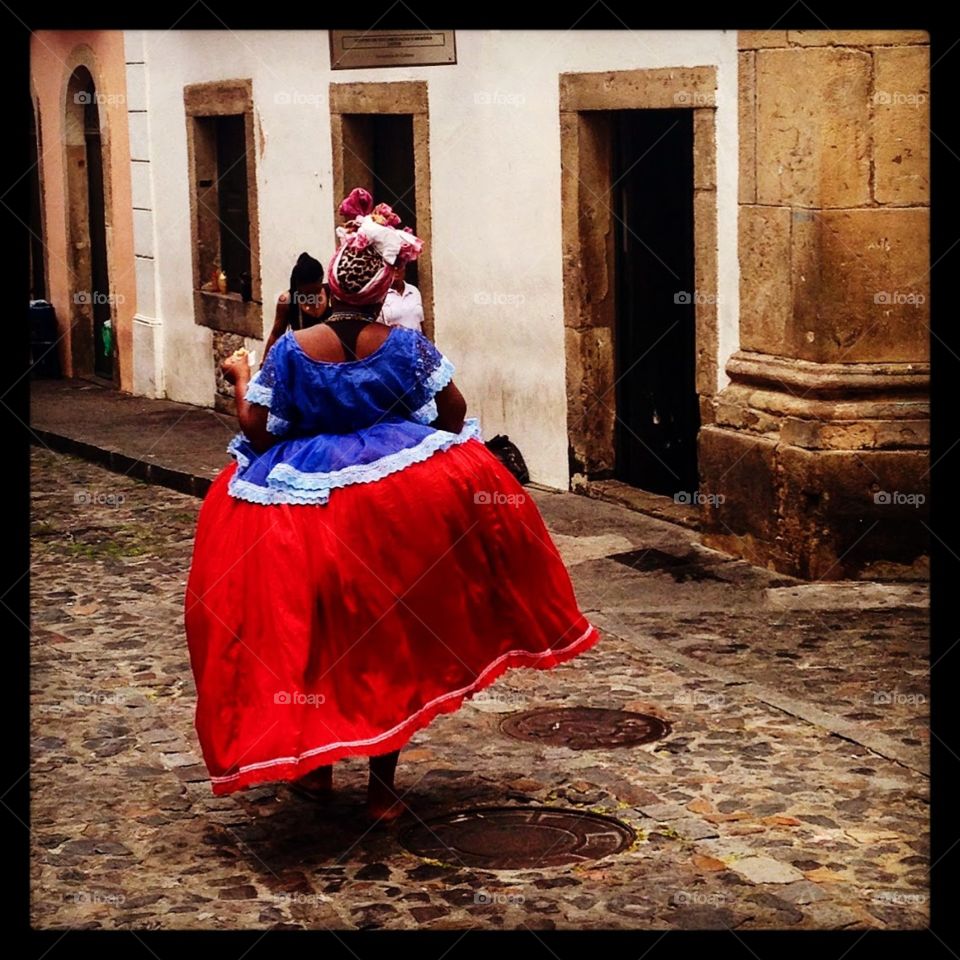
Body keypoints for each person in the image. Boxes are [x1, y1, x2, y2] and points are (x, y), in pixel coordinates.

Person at [183, 187, 599, 824]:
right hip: (393, 513)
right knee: (392, 637)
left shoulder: (294, 352)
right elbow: (453, 413)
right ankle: (382, 792)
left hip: (306, 510)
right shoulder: (407, 348)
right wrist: (400, 426)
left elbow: (263, 431)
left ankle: (317, 772)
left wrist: (243, 380)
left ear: (331, 287)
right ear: (384, 291)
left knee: (321, 635)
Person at [263, 252, 331, 360]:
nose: (310, 297)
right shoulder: (287, 302)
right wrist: (265, 363)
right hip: (303, 361)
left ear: (321, 280)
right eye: (306, 294)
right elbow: (276, 334)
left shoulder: (332, 295)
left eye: (315, 292)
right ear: (298, 287)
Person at [377, 260, 424, 332]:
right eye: (392, 267)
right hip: (395, 342)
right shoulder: (381, 295)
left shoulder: (414, 291)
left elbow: (420, 323)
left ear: (404, 268)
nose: (396, 270)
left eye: (399, 266)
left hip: (416, 341)